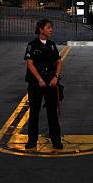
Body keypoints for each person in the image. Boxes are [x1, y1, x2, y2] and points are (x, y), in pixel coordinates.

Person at [24, 19, 63, 149]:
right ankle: (32, 141)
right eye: (48, 27)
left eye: (51, 27)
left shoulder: (52, 45)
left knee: (52, 113)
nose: (51, 30)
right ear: (41, 29)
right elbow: (30, 64)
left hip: (51, 84)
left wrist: (56, 78)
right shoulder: (32, 45)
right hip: (36, 84)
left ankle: (56, 140)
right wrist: (39, 79)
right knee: (34, 113)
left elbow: (58, 62)